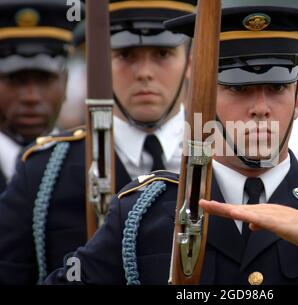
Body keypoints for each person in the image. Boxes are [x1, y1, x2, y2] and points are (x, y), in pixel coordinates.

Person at [45, 5, 298, 285]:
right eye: (238, 89)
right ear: (196, 100)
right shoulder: (144, 215)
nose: (260, 108)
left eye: (276, 88)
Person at [0, 0, 196, 284]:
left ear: (190, 62)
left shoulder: (225, 163)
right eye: (126, 55)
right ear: (101, 62)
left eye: (162, 54)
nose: (144, 72)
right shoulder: (41, 174)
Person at [0, 0, 78, 193]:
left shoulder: (91, 167)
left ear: (66, 82)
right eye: (16, 79)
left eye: (44, 79)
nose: (31, 97)